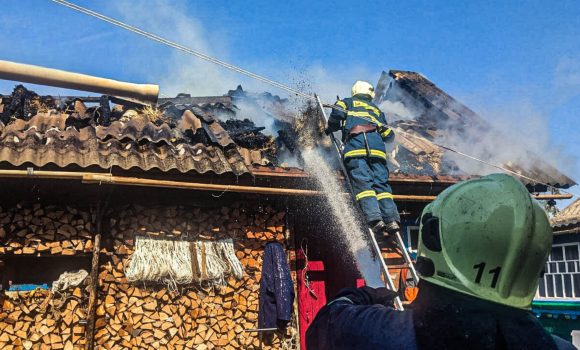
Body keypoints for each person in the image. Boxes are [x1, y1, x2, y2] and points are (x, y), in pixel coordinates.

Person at [306, 173, 577, 350]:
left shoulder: (385, 335)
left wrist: (361, 295)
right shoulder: (560, 347)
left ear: (435, 241)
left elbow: (323, 324)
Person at [326, 81, 398, 237]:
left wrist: (331, 127)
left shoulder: (346, 102)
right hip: (378, 154)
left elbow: (336, 114)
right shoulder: (376, 110)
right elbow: (389, 135)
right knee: (381, 186)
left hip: (357, 151)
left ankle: (374, 219)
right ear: (370, 93)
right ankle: (391, 220)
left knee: (364, 184)